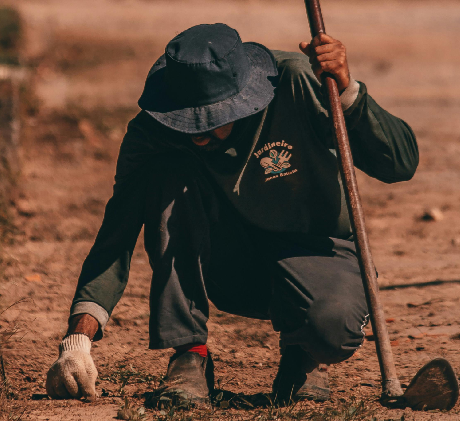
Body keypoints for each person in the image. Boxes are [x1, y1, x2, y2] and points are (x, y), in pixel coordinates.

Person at [46, 23, 418, 406]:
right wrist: (78, 341)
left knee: (331, 329)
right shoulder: (152, 133)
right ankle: (190, 355)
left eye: (209, 118)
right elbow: (116, 234)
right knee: (165, 174)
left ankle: (302, 351)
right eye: (185, 118)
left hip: (316, 250)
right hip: (229, 263)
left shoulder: (297, 82)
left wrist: (346, 91)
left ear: (244, 98)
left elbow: (402, 163)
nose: (196, 132)